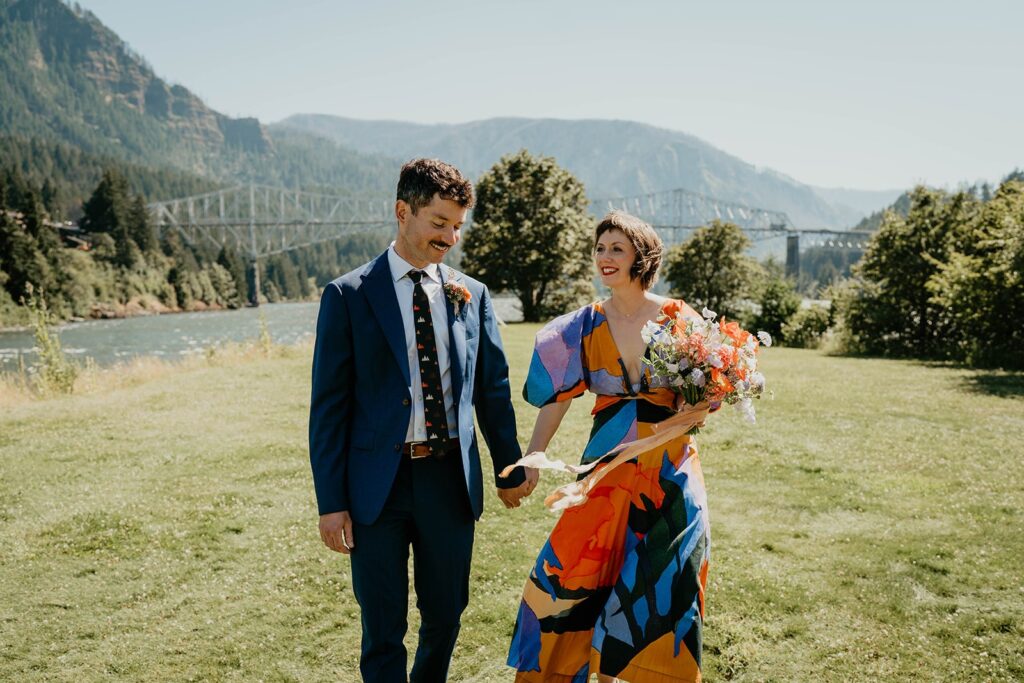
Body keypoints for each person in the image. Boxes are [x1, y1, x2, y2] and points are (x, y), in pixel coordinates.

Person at [309, 158, 538, 683]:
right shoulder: (347, 296)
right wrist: (332, 503)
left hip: (448, 481)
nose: (450, 237)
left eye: (457, 225)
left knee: (445, 614)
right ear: (402, 212)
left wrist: (509, 466)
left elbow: (492, 389)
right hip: (375, 490)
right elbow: (329, 409)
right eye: (439, 223)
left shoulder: (471, 294)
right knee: (383, 623)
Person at [507, 211, 713, 682]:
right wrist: (534, 456)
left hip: (670, 474)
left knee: (666, 587)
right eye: (600, 248)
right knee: (570, 575)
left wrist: (706, 403)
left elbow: (707, 392)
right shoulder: (582, 325)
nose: (604, 257)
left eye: (616, 249)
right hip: (604, 473)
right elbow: (556, 398)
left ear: (642, 256)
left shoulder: (680, 319)